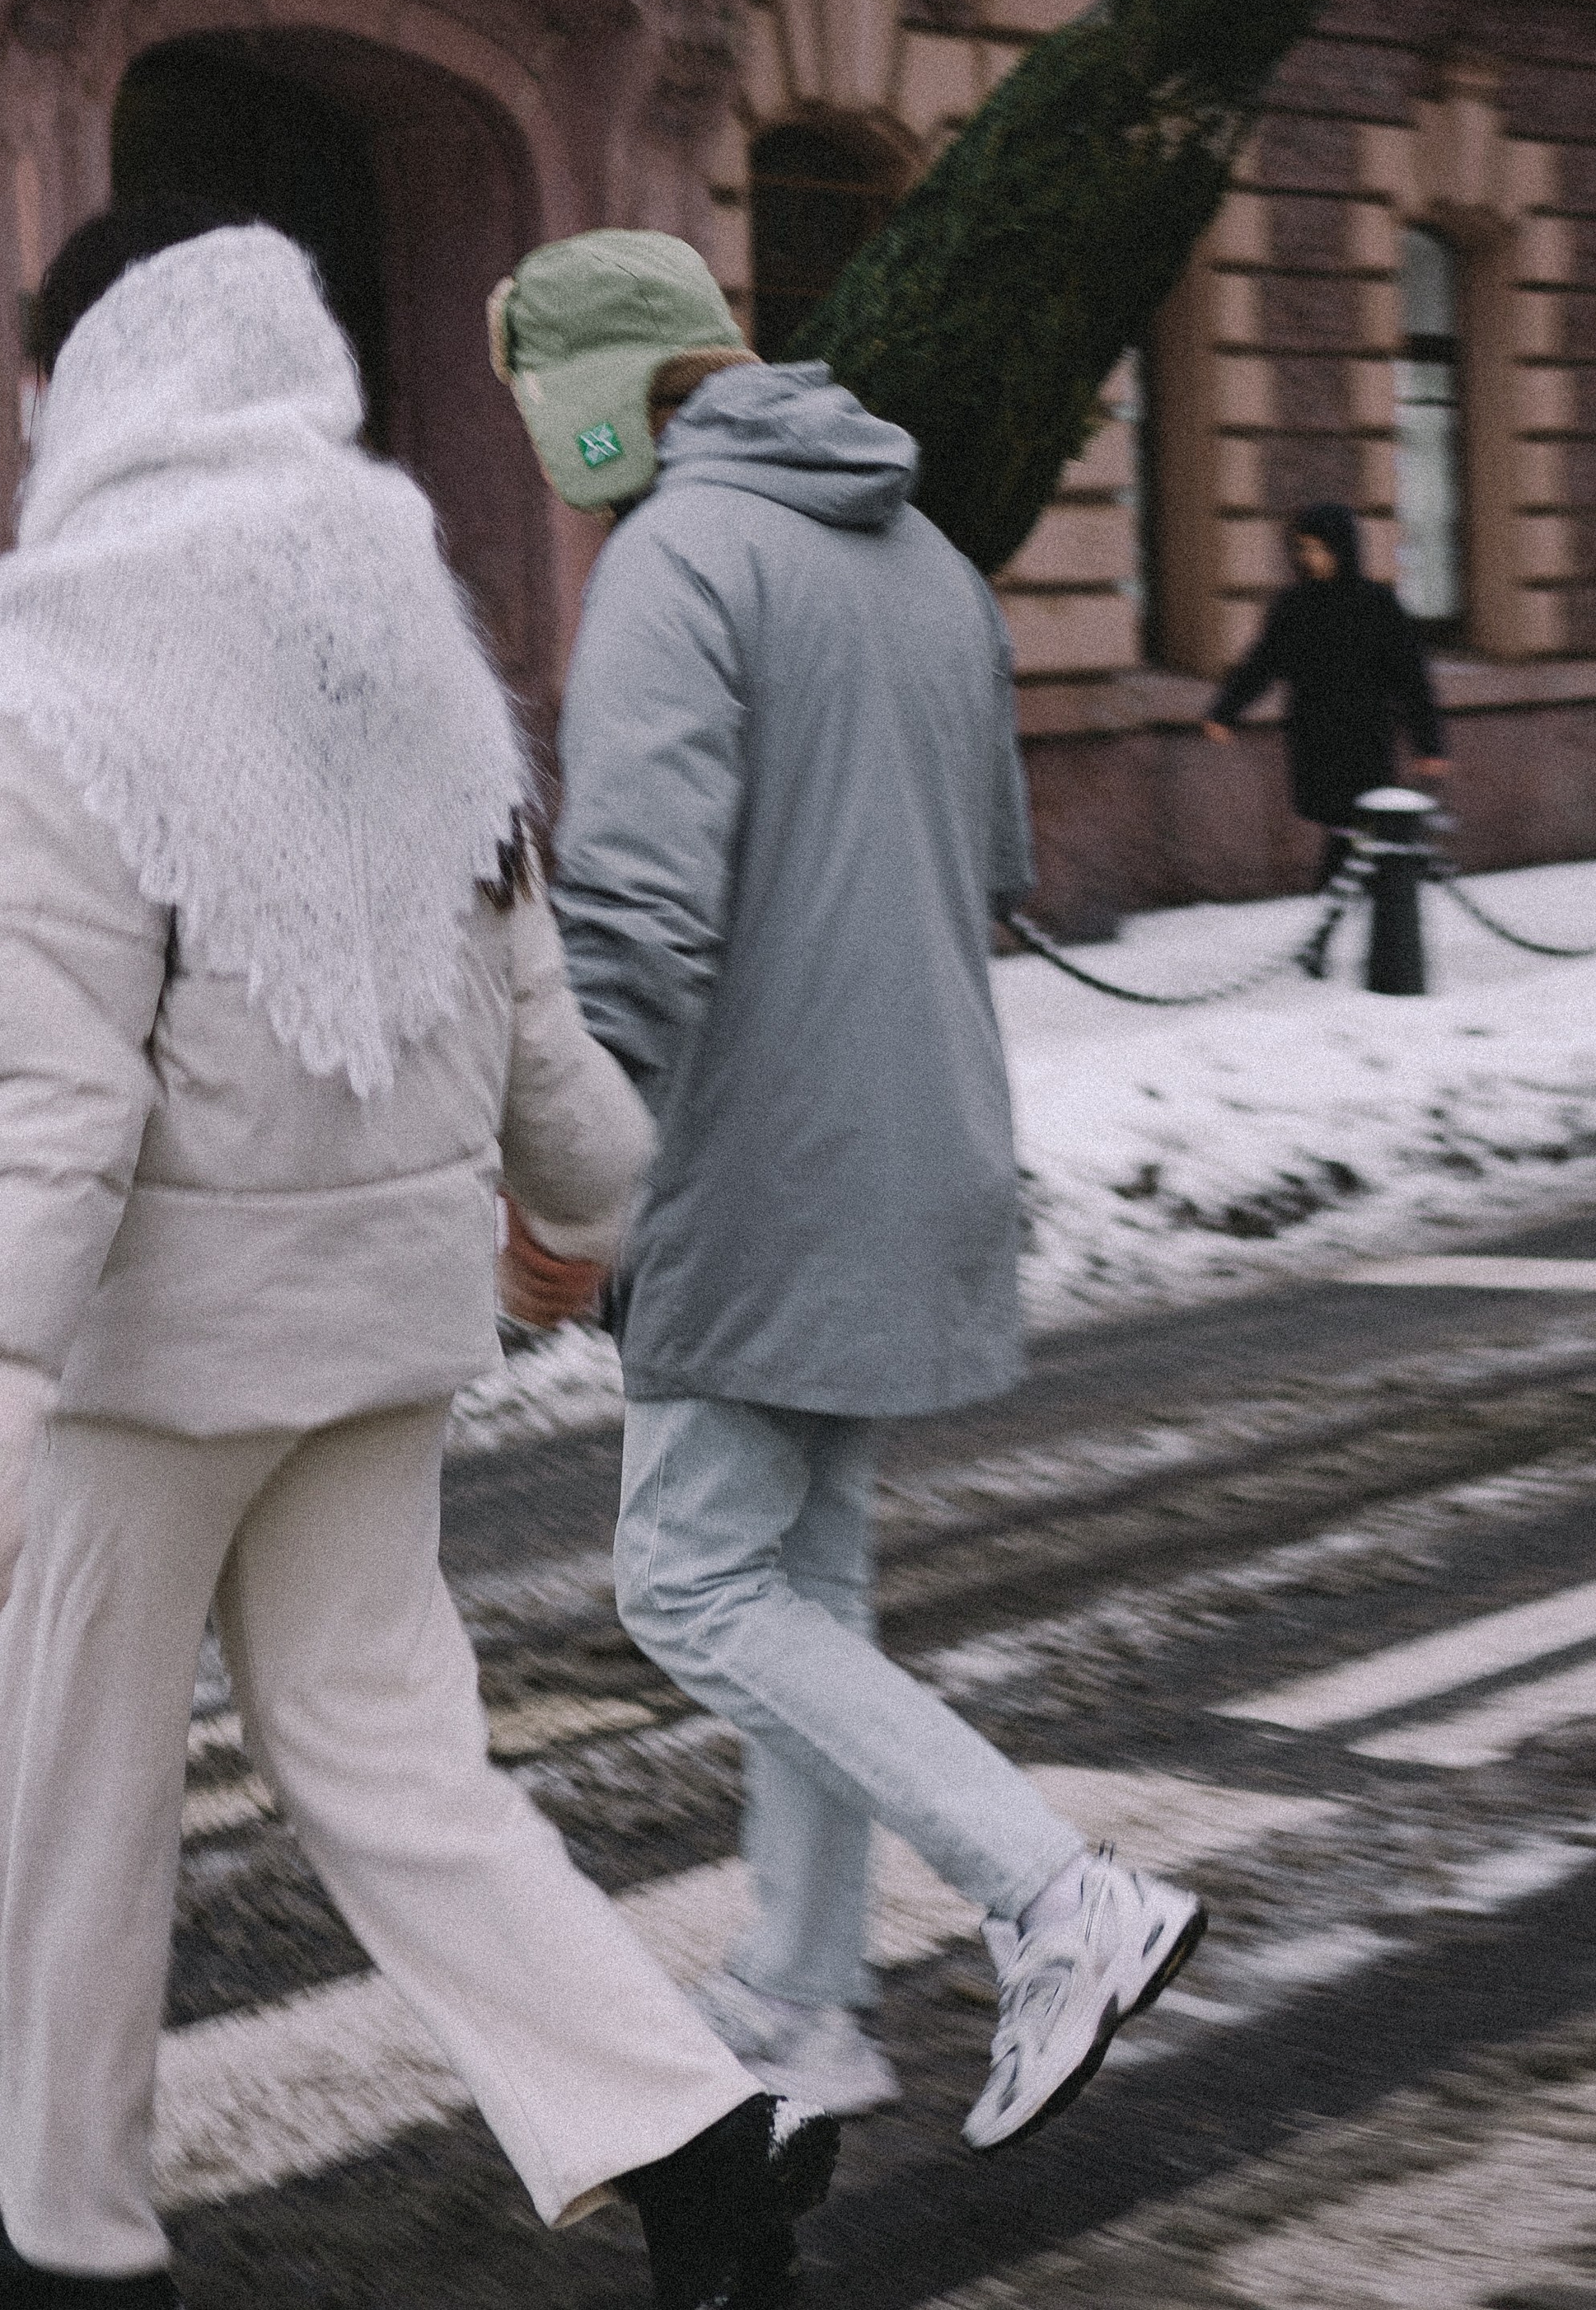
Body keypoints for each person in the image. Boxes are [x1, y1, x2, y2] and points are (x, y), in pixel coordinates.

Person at [0, 209, 838, 2310]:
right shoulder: (398, 607)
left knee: (77, 1798)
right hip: (385, 1325)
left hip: (160, 1352)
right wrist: (583, 1189)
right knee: (398, 1761)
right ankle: (684, 2130)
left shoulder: (65, 654)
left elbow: (50, 1086)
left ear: (94, 379)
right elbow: (515, 956)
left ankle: (71, 2238)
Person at [490, 228, 1205, 2148]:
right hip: (923, 1143)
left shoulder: (674, 561)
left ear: (595, 400)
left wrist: (561, 1190)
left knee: (690, 1579)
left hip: (755, 1167)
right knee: (799, 1582)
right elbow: (986, 865)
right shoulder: (928, 563)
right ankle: (799, 2001)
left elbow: (632, 924)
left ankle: (1057, 1893)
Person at [1203, 502, 1449, 884]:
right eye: (1304, 548)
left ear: (1343, 548)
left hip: (1365, 735)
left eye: (1319, 548)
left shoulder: (1377, 605)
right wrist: (1225, 711)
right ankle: (1345, 904)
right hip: (1315, 735)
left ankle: (1339, 908)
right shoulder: (1295, 606)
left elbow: (1412, 680)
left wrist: (1430, 745)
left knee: (1356, 827)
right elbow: (1262, 664)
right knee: (1343, 826)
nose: (1311, 558)